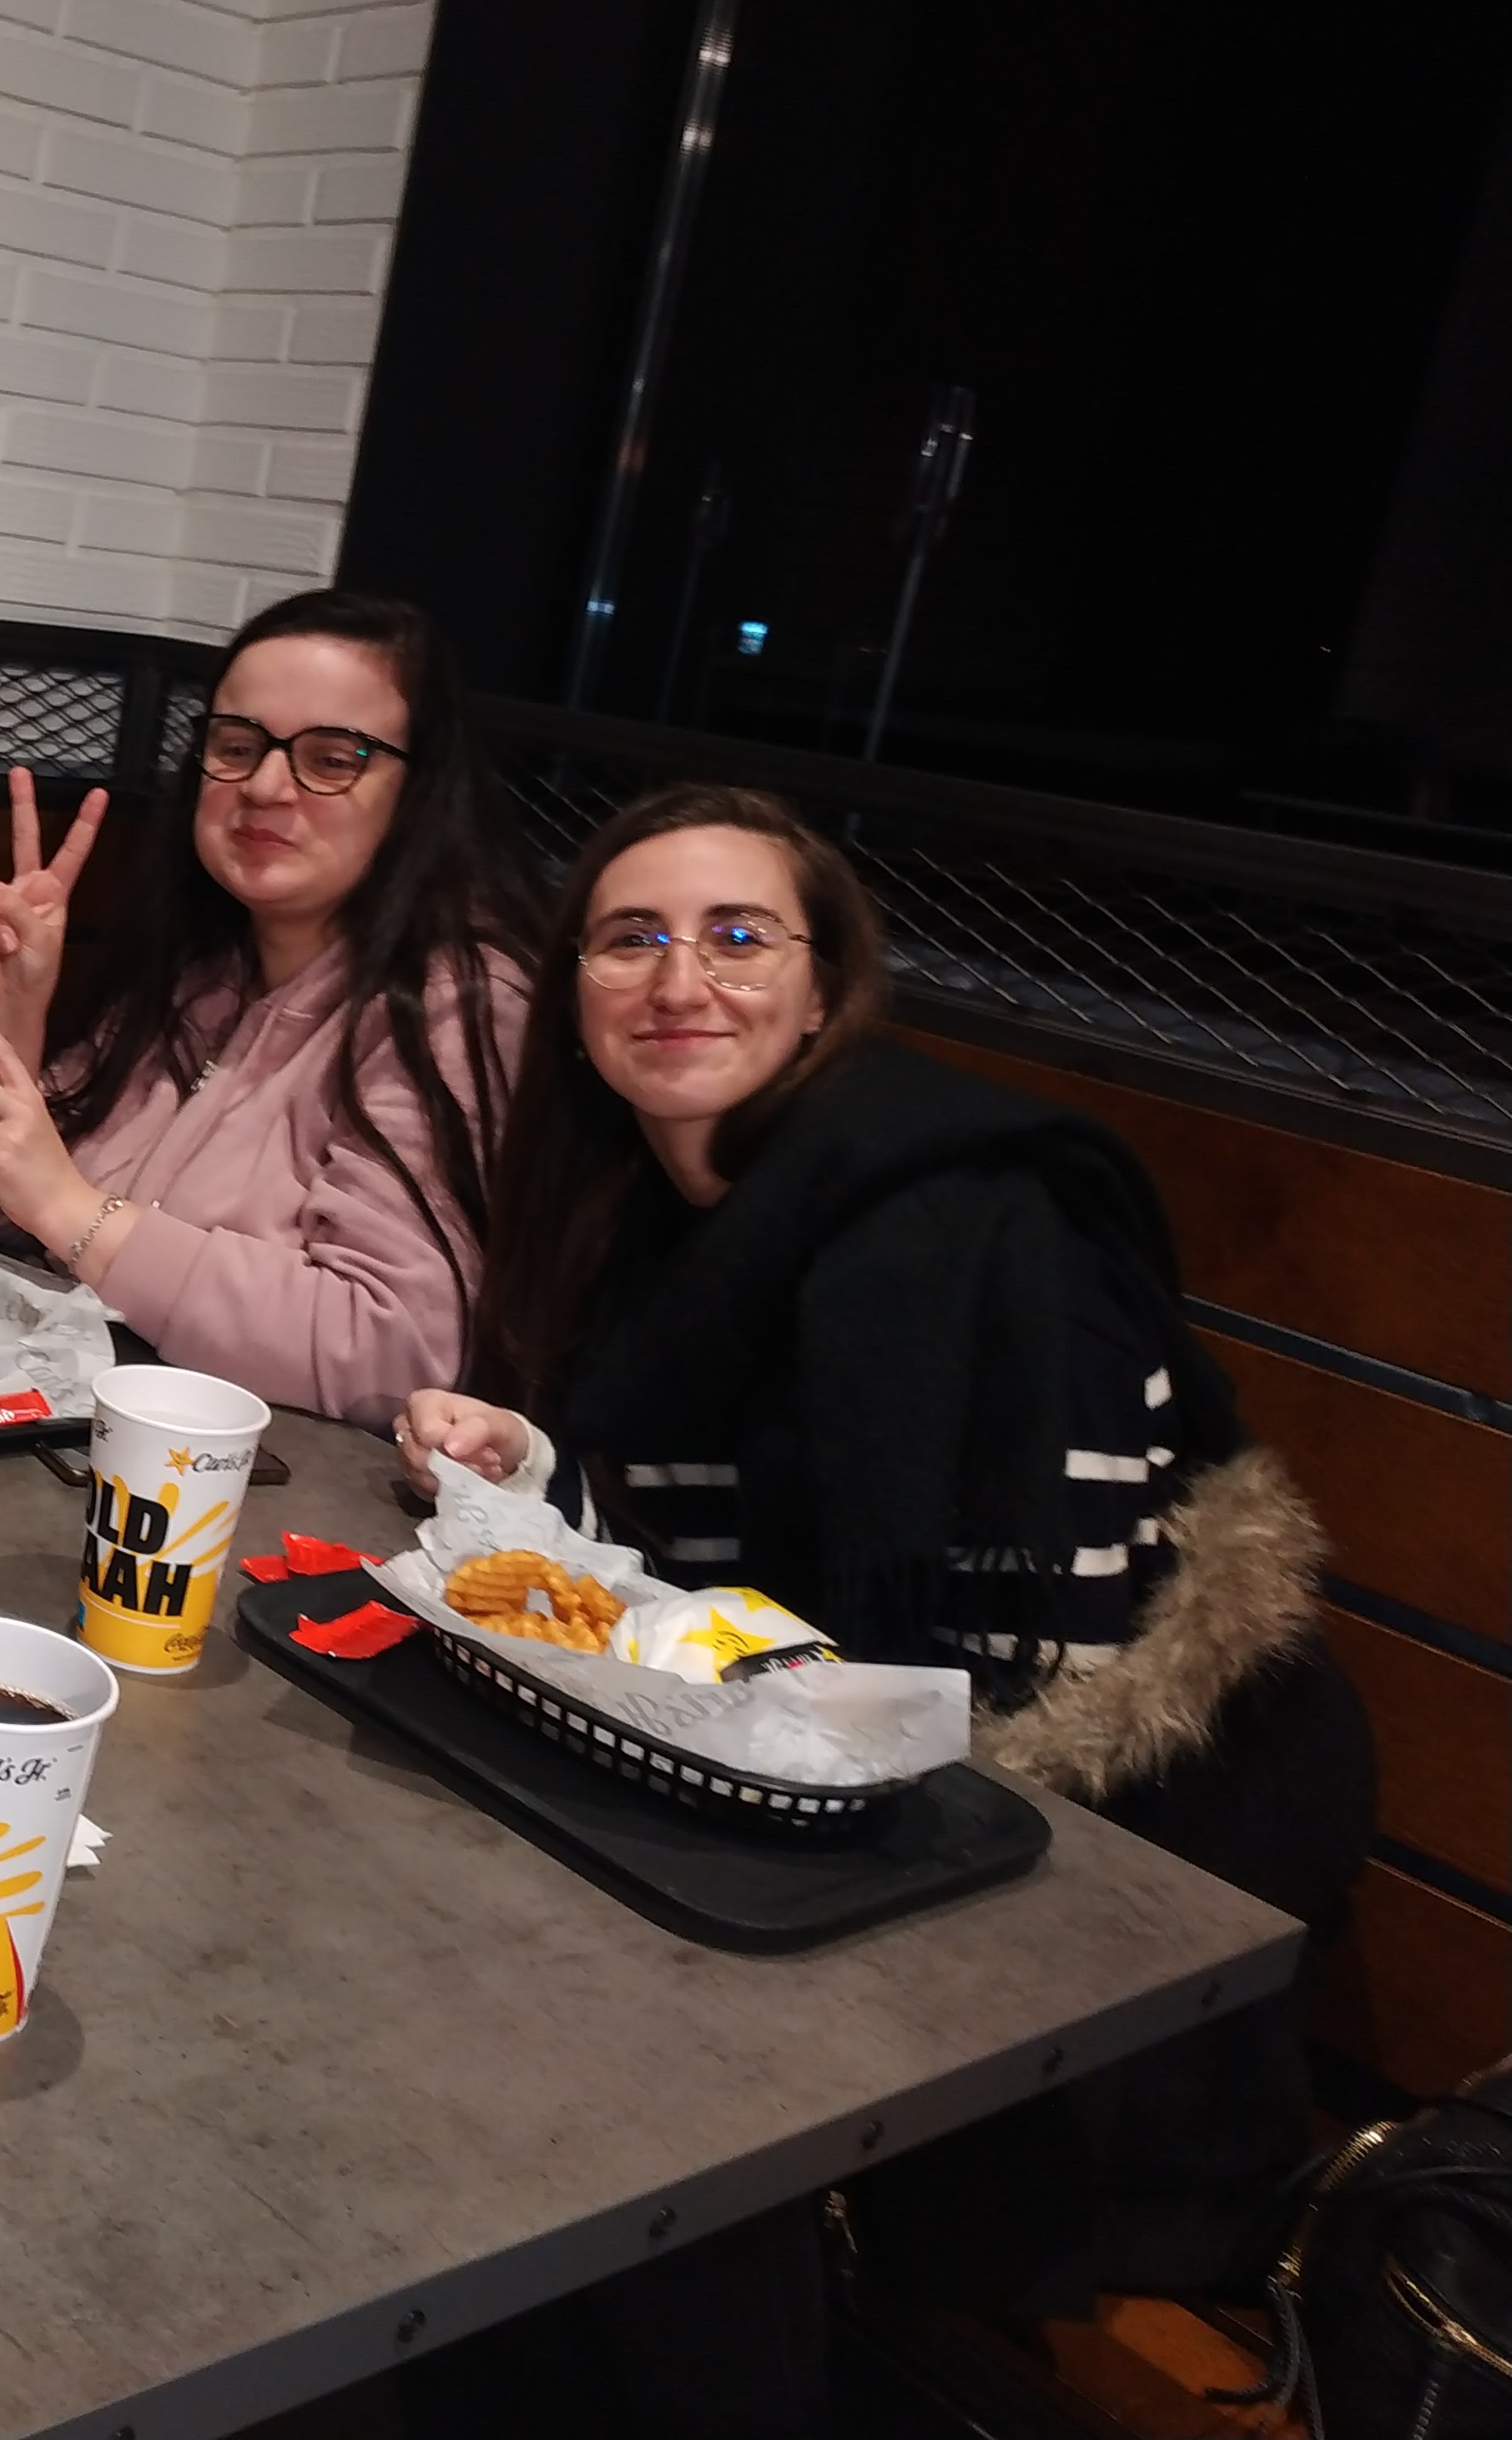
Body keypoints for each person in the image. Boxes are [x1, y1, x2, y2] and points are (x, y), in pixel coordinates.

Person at [401, 782, 1373, 2322]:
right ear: (572, 993)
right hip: (825, 1788)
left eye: (739, 936)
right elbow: (715, 1566)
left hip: (1117, 1887)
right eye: (630, 937)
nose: (678, 977)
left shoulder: (969, 1229)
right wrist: (529, 1467)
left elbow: (1032, 1683)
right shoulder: (663, 1215)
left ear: (823, 989)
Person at [0, 589, 541, 1429]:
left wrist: (74, 1211)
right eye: (237, 747)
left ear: (418, 790)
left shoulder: (454, 1002)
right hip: (71, 1435)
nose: (266, 786)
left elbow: (394, 1351)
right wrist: (13, 1014)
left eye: (331, 759)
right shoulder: (203, 967)